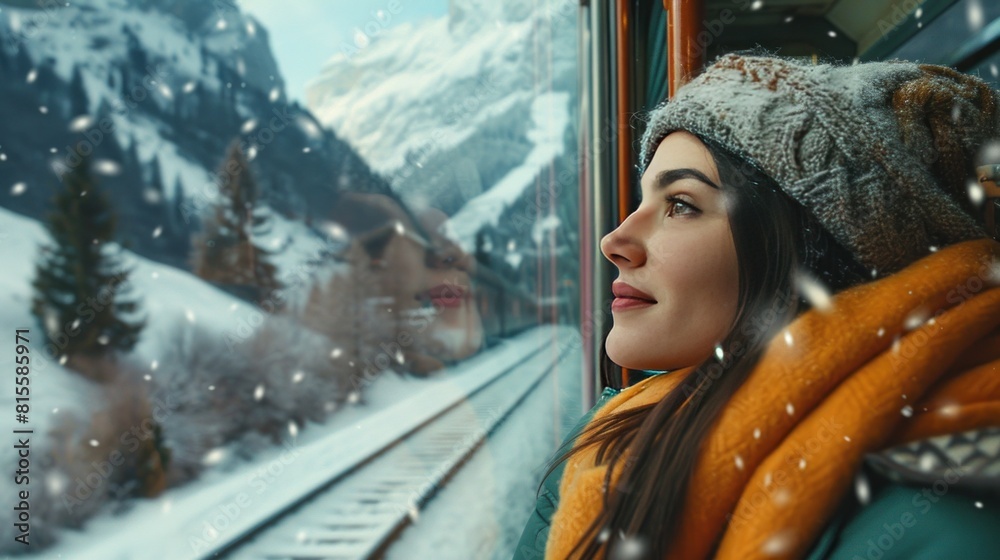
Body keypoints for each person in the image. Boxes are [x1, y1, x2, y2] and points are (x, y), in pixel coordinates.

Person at [513, 53, 1000, 559]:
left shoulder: (946, 528)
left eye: (681, 205)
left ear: (814, 256)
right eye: (642, 202)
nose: (614, 240)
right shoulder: (620, 432)